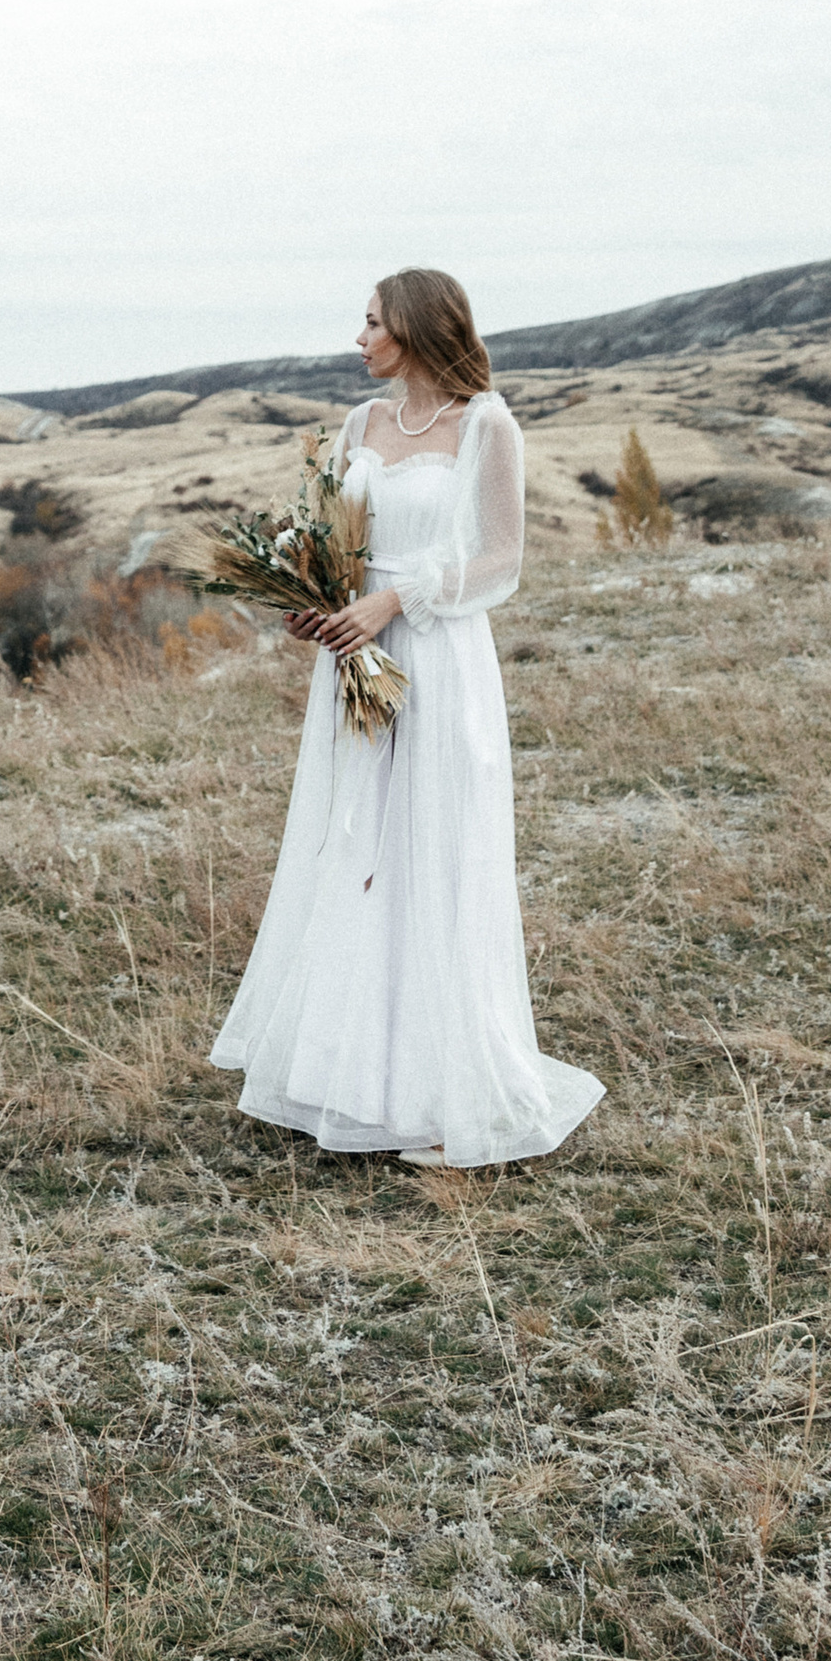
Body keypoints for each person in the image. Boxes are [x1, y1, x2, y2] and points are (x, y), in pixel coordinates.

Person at [208, 268, 603, 1172]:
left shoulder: (488, 425)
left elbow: (503, 560)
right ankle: (353, 1076)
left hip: (439, 656)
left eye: (374, 322)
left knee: (435, 845)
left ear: (418, 330)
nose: (359, 337)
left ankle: (439, 1086)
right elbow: (336, 539)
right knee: (357, 847)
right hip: (356, 658)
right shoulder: (358, 426)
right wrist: (319, 603)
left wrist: (399, 602)